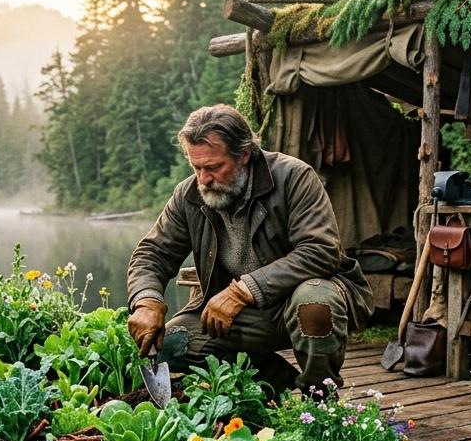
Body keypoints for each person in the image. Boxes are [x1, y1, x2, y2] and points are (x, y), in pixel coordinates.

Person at [126, 104, 372, 391]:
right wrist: (147, 301)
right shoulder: (189, 194)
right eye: (196, 167)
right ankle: (281, 383)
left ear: (244, 155)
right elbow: (152, 253)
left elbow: (320, 250)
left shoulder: (294, 177)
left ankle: (319, 398)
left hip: (297, 303)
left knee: (314, 302)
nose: (203, 179)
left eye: (214, 167)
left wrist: (244, 289)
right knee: (171, 345)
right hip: (244, 317)